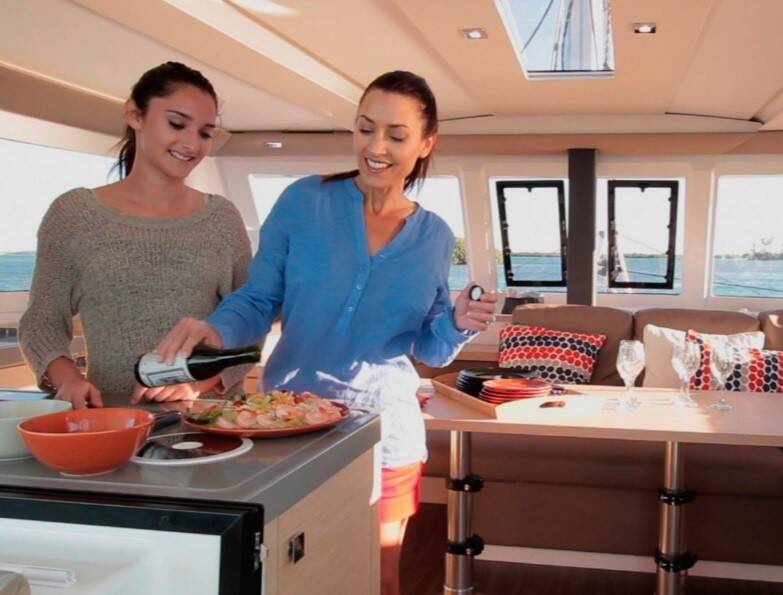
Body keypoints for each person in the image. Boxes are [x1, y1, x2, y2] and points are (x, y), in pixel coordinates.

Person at [154, 70, 496, 595]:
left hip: (385, 431)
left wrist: (457, 323)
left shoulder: (435, 235)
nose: (376, 147)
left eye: (396, 135)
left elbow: (427, 346)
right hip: (288, 426)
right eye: (366, 128)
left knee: (378, 579)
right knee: (292, 578)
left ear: (426, 143)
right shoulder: (303, 201)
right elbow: (258, 298)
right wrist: (214, 331)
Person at [19, 62, 253, 409]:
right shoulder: (73, 215)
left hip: (211, 421)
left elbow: (251, 321)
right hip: (111, 417)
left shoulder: (221, 219)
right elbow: (41, 323)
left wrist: (199, 384)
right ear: (134, 115)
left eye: (205, 133)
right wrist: (67, 378)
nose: (192, 143)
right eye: (177, 124)